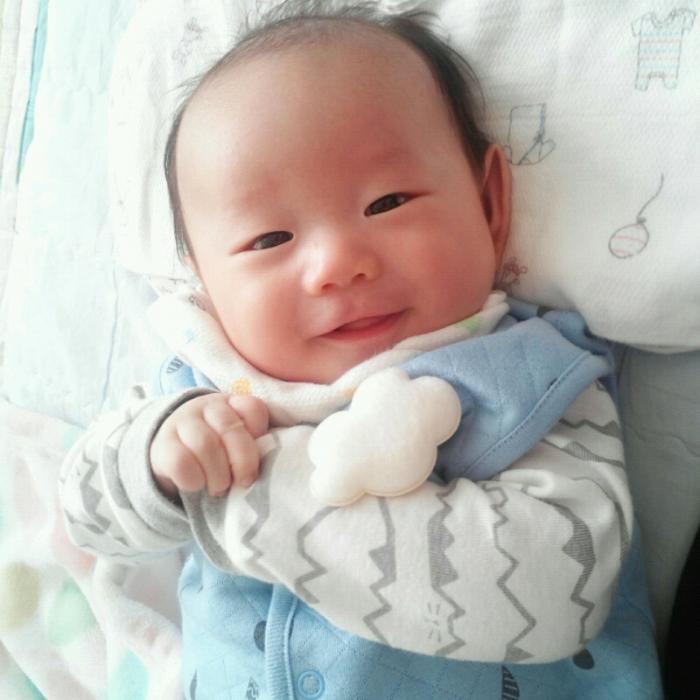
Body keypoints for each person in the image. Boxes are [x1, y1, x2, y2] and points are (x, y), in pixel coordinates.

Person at [59, 2, 662, 698]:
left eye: (387, 202)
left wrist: (260, 493)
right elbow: (85, 518)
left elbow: (562, 593)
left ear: (490, 205)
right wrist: (156, 463)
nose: (337, 264)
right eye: (269, 240)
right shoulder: (208, 390)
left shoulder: (535, 381)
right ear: (205, 281)